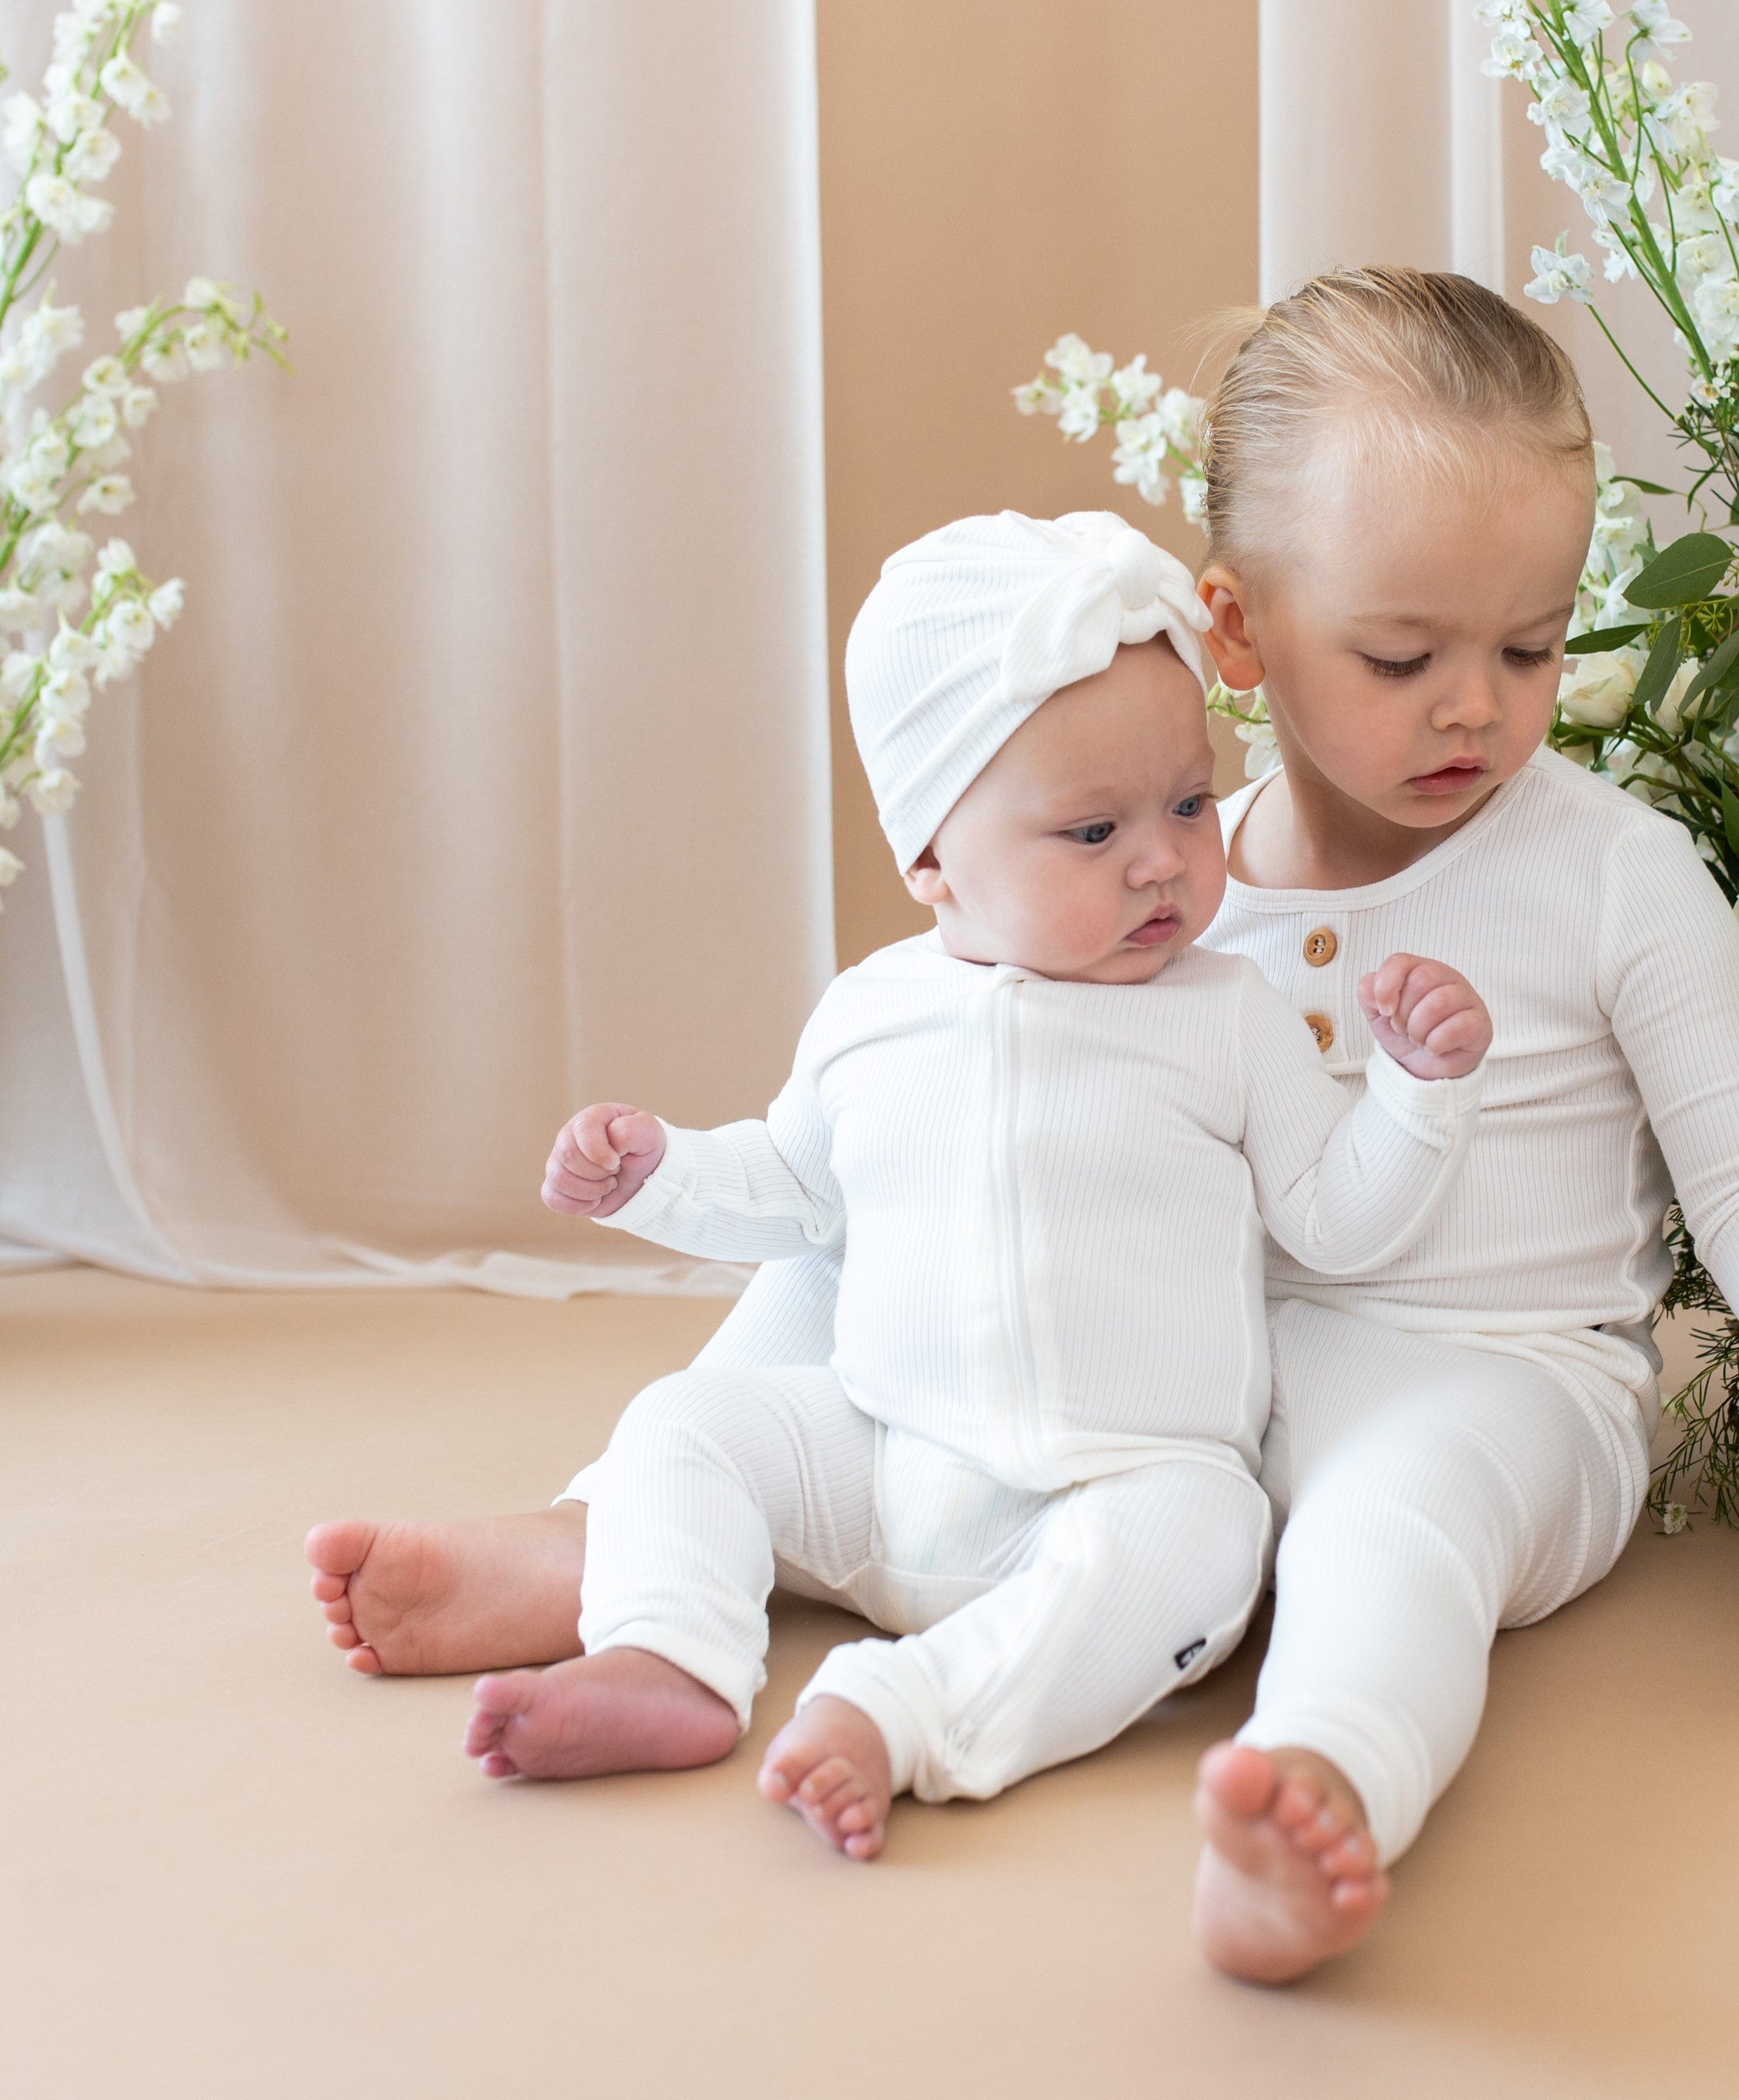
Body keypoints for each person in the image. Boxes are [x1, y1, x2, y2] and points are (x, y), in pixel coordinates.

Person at [308, 267, 1739, 1982]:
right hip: (1178, 1376)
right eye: (1403, 655)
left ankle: (1322, 1781)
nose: (1476, 707)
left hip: (1487, 1372)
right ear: (1238, 633)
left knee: (1391, 1514)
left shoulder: (1612, 875)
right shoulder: (1160, 865)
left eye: (1533, 646)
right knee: (854, 1239)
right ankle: (616, 1539)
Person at [444, 507, 1492, 1865]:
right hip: (882, 1455)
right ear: (931, 859)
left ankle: (908, 1713)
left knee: (1208, 1538)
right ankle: (666, 1653)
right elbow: (797, 1194)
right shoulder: (871, 1010)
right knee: (685, 1420)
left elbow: (1338, 1220)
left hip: (1116, 1481)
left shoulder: (1225, 1014)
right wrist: (663, 1175)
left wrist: (1417, 1093)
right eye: (1093, 829)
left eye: (1189, 804)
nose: (1163, 858)